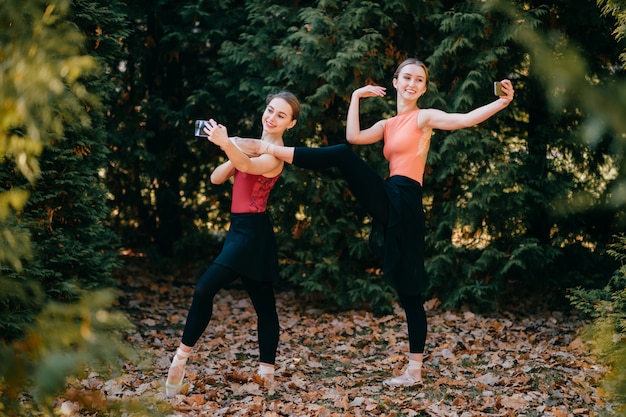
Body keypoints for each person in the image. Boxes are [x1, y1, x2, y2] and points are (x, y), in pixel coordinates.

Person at [235, 58, 515, 387]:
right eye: (406, 77)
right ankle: (414, 369)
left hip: (406, 201)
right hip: (392, 196)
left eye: (419, 80)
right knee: (344, 153)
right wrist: (356, 96)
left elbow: (466, 119)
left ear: (424, 88)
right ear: (395, 82)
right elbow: (353, 136)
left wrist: (502, 100)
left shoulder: (424, 117)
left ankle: (414, 370)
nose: (412, 83)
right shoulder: (387, 124)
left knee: (410, 290)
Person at [165, 91, 300, 397]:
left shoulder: (276, 154)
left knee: (204, 288)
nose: (272, 117)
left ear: (290, 124)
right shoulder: (249, 146)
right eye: (270, 110)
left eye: (281, 115)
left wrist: (228, 144)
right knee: (264, 305)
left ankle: (179, 360)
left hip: (253, 234)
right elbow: (216, 178)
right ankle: (267, 374)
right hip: (239, 229)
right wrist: (232, 148)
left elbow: (251, 168)